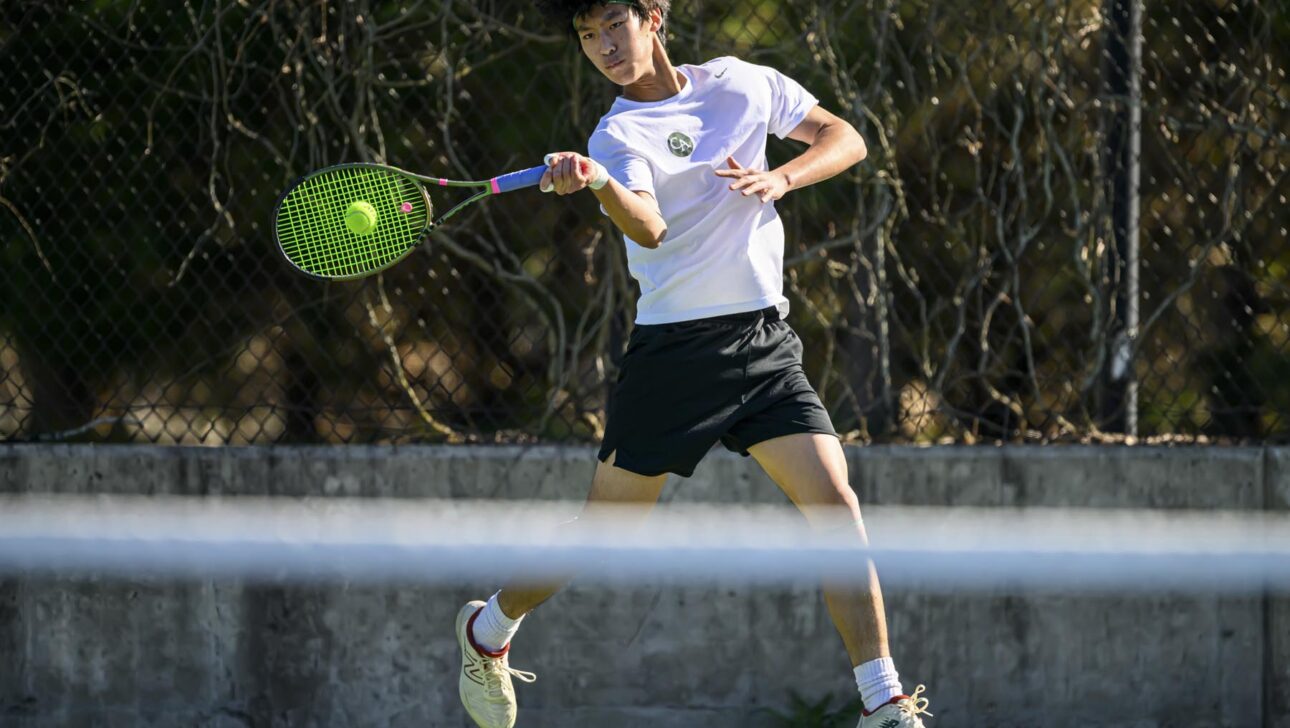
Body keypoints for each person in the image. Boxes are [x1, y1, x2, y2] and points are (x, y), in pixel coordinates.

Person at [454, 2, 932, 726]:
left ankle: (884, 704)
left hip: (765, 343)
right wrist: (597, 182)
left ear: (654, 17)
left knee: (837, 507)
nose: (604, 46)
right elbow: (648, 227)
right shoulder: (617, 133)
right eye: (587, 36)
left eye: (614, 24)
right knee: (603, 533)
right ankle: (487, 629)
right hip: (676, 356)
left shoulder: (743, 82)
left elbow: (844, 137)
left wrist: (784, 179)